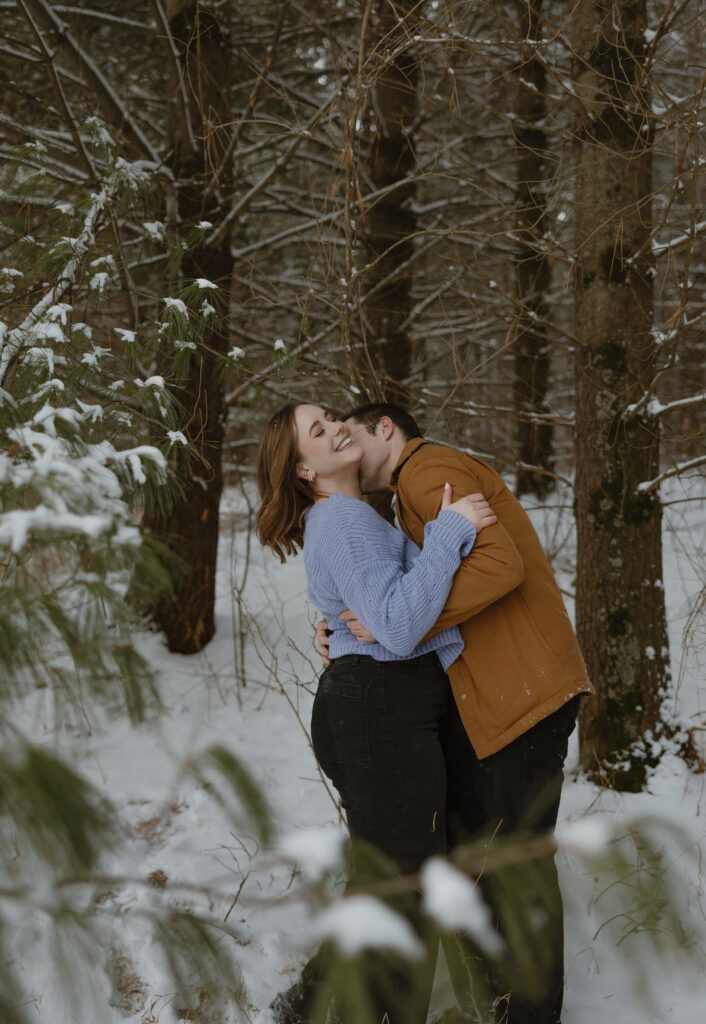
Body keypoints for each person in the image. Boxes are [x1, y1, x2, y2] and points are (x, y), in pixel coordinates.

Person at [317, 403, 595, 1024]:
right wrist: (349, 629)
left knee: (514, 872)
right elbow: (412, 589)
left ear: (384, 428)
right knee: (490, 868)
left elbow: (500, 565)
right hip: (500, 701)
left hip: (522, 697)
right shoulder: (402, 497)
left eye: (351, 434)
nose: (345, 445)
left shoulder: (425, 468)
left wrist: (394, 632)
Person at [256, 402, 500, 1024]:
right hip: (378, 713)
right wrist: (449, 532)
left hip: (373, 706)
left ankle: (306, 1007)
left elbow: (397, 615)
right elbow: (398, 623)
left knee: (386, 879)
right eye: (318, 430)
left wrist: (349, 628)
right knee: (405, 888)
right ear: (304, 470)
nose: (337, 426)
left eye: (332, 416)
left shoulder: (351, 518)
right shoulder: (339, 519)